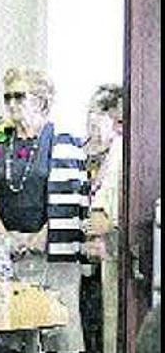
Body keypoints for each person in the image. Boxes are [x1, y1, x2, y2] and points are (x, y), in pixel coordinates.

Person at [0, 67, 89, 353]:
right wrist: (2, 236)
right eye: (7, 98)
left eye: (20, 96)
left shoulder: (63, 138)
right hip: (9, 248)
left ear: (41, 100)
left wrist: (42, 235)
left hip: (52, 251)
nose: (12, 104)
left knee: (60, 330)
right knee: (13, 332)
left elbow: (74, 197)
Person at [82, 84, 123, 353]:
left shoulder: (121, 154)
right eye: (92, 113)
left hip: (111, 254)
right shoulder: (77, 152)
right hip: (80, 256)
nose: (94, 121)